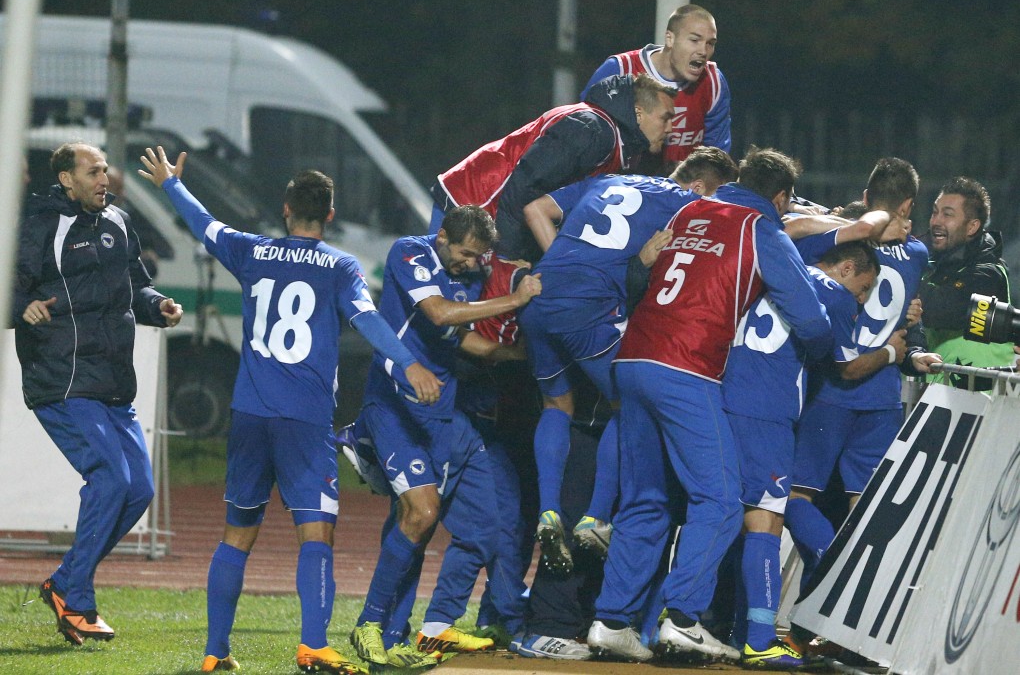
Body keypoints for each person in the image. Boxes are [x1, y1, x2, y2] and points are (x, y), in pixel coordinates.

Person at [140, 146, 441, 674]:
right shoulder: (340, 266)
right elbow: (370, 323)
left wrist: (170, 184)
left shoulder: (252, 251)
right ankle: (313, 645)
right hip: (304, 419)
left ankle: (215, 650)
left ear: (285, 208)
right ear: (329, 213)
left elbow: (204, 225)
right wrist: (410, 364)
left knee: (236, 532)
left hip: (250, 413)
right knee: (317, 532)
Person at [587, 147, 832, 663]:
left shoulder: (690, 209)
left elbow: (642, 274)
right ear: (781, 197)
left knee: (645, 499)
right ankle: (682, 620)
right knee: (720, 500)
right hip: (687, 366)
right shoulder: (761, 228)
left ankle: (610, 622)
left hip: (632, 359)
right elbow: (811, 320)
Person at [348, 206, 542, 667]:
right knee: (421, 511)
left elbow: (457, 338)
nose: (470, 263)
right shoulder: (410, 253)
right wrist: (515, 300)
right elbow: (438, 314)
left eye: (478, 257)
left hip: (442, 413)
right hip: (394, 405)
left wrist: (514, 355)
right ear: (442, 237)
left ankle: (426, 632)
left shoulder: (472, 275)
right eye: (464, 253)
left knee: (482, 523)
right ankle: (370, 625)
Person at [14, 142, 184, 645]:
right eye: (93, 171)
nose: (104, 178)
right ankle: (77, 600)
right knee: (110, 480)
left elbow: (136, 286)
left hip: (112, 381)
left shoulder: (118, 222)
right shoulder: (42, 223)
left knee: (138, 491)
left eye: (106, 169)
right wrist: (21, 307)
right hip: (63, 379)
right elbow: (10, 286)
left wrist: (160, 306)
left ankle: (64, 582)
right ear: (67, 180)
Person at [518, 172, 700, 574]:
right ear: (701, 186)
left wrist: (566, 272)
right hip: (589, 307)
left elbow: (535, 209)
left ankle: (548, 512)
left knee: (556, 404)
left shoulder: (608, 180)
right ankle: (596, 517)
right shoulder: (687, 203)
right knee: (629, 403)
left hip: (539, 291)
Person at [785, 158, 942, 606]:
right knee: (865, 510)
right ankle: (845, 623)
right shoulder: (917, 254)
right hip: (883, 398)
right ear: (910, 205)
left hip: (828, 391)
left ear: (868, 199)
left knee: (795, 495)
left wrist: (847, 219)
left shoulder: (838, 246)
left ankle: (824, 574)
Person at [723, 239, 882, 668]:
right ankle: (759, 637)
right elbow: (846, 364)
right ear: (846, 269)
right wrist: (893, 351)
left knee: (725, 516)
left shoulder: (780, 272)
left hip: (724, 396)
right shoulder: (833, 295)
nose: (862, 300)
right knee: (766, 521)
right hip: (767, 412)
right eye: (862, 288)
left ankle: (731, 628)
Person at [430, 73, 676, 262]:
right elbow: (525, 185)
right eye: (665, 117)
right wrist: (509, 257)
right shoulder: (594, 130)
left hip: (485, 207)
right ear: (638, 113)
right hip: (473, 201)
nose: (670, 129)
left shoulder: (609, 135)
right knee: (439, 304)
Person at [583, 4, 731, 172]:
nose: (703, 51)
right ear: (670, 39)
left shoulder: (713, 82)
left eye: (710, 43)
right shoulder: (620, 70)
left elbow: (716, 154)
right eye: (694, 40)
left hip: (682, 194)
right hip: (620, 190)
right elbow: (585, 132)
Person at [919, 177, 1015, 383]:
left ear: (972, 227)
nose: (936, 221)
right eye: (935, 212)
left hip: (982, 402)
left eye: (947, 215)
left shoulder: (988, 274)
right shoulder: (934, 265)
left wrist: (902, 273)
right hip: (942, 399)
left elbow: (941, 311)